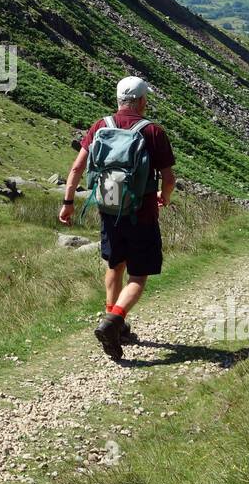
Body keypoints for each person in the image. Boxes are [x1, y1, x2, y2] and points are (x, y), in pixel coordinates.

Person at [59, 75, 176, 363]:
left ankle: (116, 324)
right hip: (142, 214)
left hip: (109, 210)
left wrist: (68, 202)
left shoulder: (101, 126)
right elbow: (170, 178)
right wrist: (165, 196)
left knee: (115, 264)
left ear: (119, 100)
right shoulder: (153, 132)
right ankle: (114, 321)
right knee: (138, 275)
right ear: (142, 101)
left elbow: (77, 168)